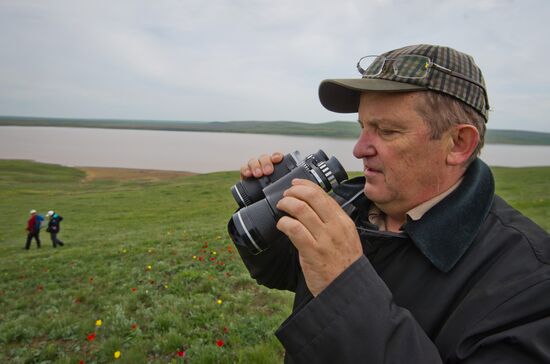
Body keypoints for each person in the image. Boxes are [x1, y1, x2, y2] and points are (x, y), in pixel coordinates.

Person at [232, 44, 550, 363]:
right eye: (363, 127)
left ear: (458, 144)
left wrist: (345, 288)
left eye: (386, 131)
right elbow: (280, 272)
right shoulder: (349, 202)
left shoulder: (531, 284)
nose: (358, 149)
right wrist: (263, 214)